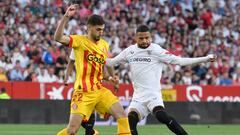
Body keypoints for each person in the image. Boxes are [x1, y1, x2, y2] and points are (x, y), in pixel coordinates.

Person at [106, 25, 217, 135]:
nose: (145, 41)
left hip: (153, 96)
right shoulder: (129, 51)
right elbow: (111, 62)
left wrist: (205, 59)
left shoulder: (156, 50)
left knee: (162, 116)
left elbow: (179, 61)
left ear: (150, 37)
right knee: (130, 121)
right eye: (141, 38)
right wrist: (92, 57)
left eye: (147, 37)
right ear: (136, 38)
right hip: (138, 98)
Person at [54, 4, 131, 135]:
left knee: (122, 115)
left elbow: (108, 63)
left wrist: (113, 78)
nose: (101, 32)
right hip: (83, 92)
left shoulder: (104, 45)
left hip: (99, 90)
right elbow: (58, 38)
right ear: (89, 27)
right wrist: (66, 16)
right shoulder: (79, 41)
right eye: (98, 29)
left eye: (102, 30)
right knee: (72, 130)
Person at [64, 49, 98, 135]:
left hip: (93, 87)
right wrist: (66, 76)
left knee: (90, 116)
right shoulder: (77, 46)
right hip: (80, 88)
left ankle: (91, 131)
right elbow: (71, 62)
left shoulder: (98, 46)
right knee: (73, 127)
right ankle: (92, 132)